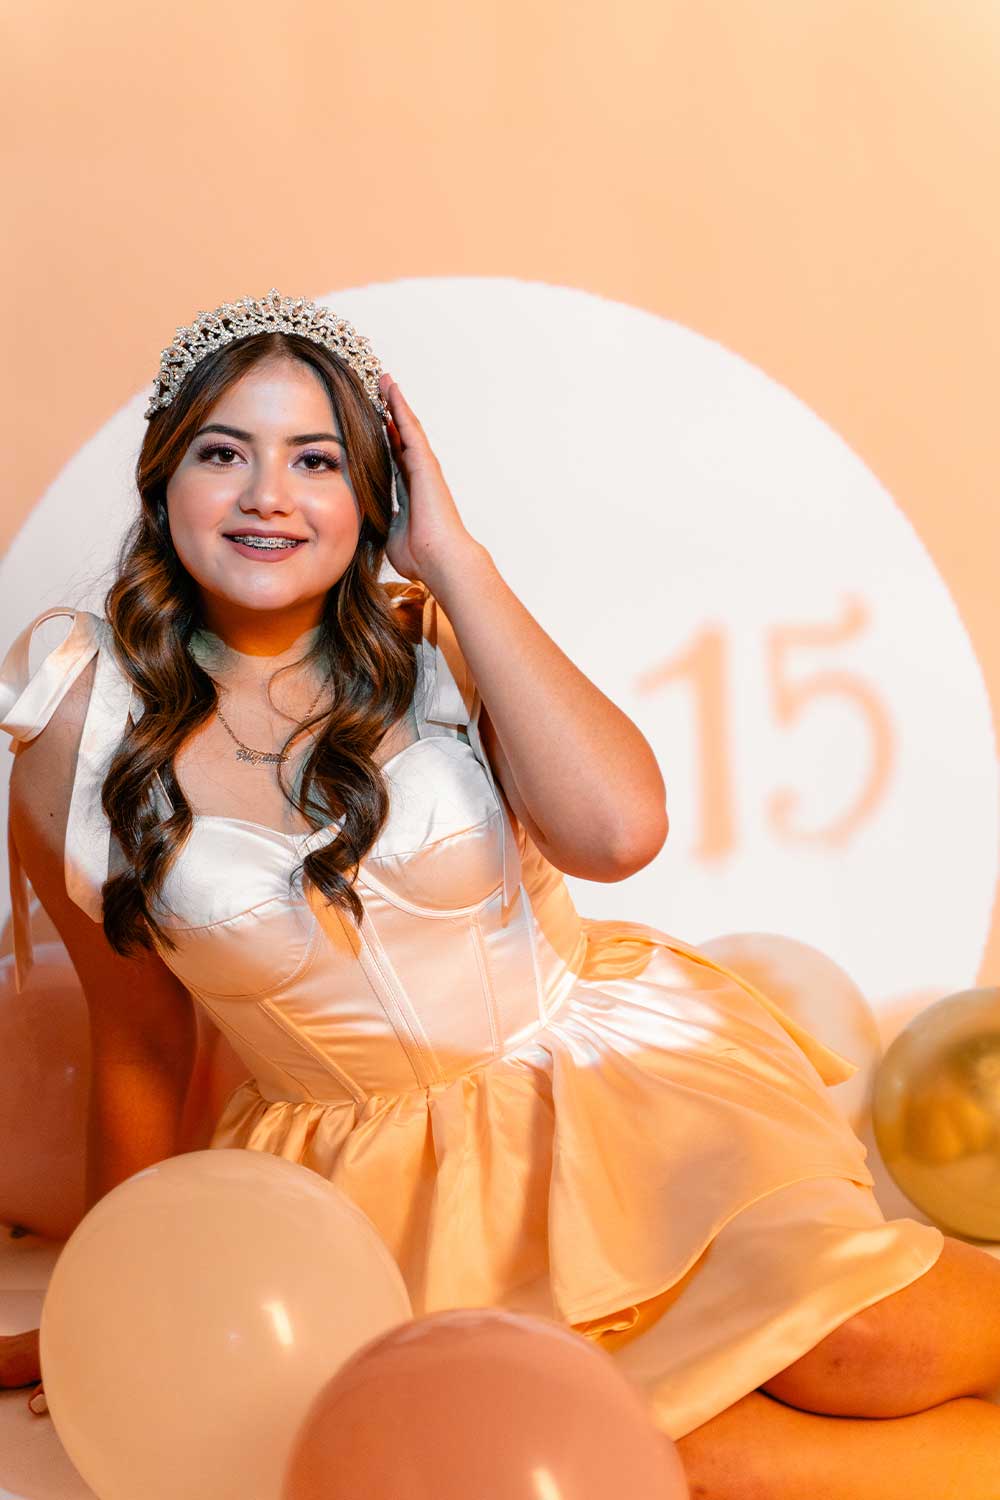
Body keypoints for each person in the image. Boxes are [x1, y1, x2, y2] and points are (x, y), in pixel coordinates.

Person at [2, 289, 1000, 1494]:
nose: (269, 495)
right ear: (164, 479)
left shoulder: (432, 638)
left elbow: (619, 832)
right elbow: (140, 1047)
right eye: (224, 453)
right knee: (690, 1463)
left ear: (376, 492)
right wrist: (119, 1300)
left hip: (606, 1098)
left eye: (316, 460)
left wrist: (455, 560)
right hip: (365, 1200)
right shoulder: (78, 730)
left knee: (864, 1343)